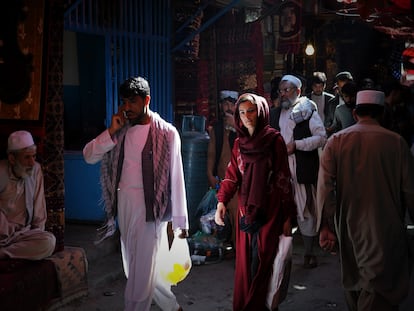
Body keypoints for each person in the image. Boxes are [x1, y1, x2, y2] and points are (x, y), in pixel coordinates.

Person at [83, 76, 188, 311]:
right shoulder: (120, 131)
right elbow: (89, 156)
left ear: (146, 100)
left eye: (132, 101)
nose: (126, 107)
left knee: (139, 278)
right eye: (124, 102)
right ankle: (173, 308)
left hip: (152, 212)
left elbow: (177, 177)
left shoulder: (167, 133)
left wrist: (180, 224)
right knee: (137, 270)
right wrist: (111, 130)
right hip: (125, 208)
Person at [317, 90, 414, 311]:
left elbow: (324, 188)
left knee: (354, 281)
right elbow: (411, 191)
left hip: (348, 225)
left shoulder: (336, 141)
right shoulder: (396, 143)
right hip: (385, 227)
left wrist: (326, 226)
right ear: (382, 113)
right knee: (378, 285)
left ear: (354, 113)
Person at [214, 93, 296, 311]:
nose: (247, 116)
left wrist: (288, 216)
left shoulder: (274, 139)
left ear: (261, 112)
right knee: (248, 265)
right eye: (242, 112)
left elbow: (283, 179)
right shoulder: (239, 143)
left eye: (251, 111)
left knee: (264, 263)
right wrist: (222, 202)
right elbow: (232, 175)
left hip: (270, 212)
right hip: (245, 212)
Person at [270, 74, 327, 269]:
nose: (283, 94)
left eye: (287, 90)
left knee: (306, 212)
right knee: (280, 211)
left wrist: (297, 145)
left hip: (301, 168)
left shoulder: (307, 111)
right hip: (280, 170)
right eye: (281, 91)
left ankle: (309, 253)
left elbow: (321, 137)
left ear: (298, 91)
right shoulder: (275, 114)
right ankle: (282, 255)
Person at [0, 130, 56, 260]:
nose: (32, 162)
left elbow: (39, 209)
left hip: (22, 235)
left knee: (49, 242)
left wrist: (37, 232)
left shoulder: (35, 170)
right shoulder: (1, 171)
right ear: (12, 158)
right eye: (26, 157)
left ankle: (3, 254)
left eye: (34, 156)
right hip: (2, 233)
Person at [207, 90, 238, 248]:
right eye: (225, 104)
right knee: (224, 215)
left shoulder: (243, 127)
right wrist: (210, 174)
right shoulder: (217, 129)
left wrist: (235, 126)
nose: (228, 107)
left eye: (231, 104)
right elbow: (211, 153)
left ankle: (238, 248)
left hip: (238, 181)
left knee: (237, 214)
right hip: (222, 180)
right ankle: (232, 245)